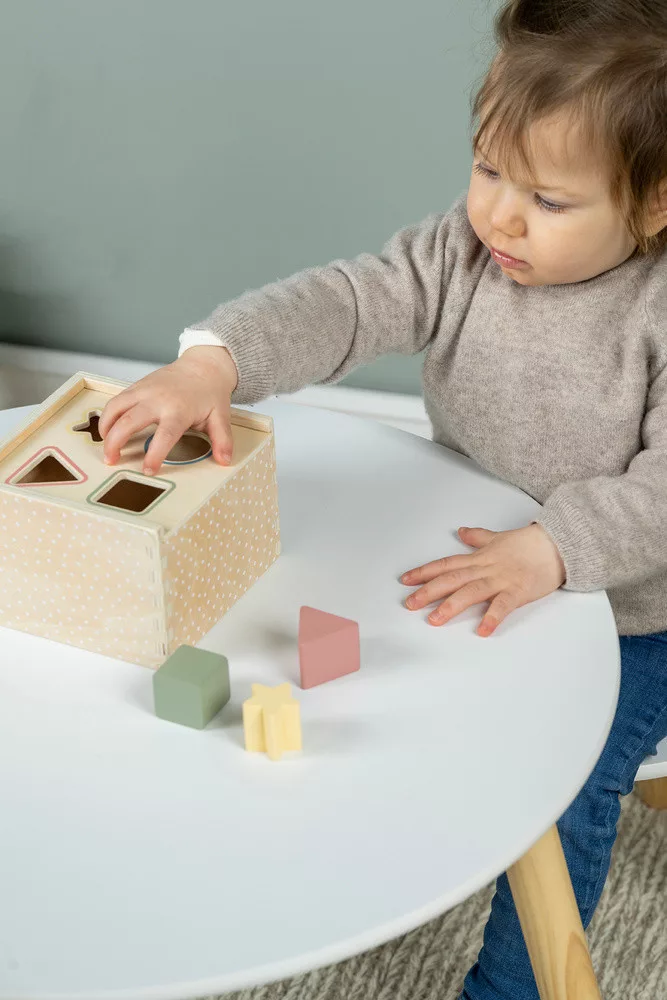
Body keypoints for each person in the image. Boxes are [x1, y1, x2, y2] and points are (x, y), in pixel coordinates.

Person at [99, 1, 667, 995]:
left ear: (654, 204)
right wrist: (216, 361)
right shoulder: (463, 252)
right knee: (366, 692)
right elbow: (350, 299)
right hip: (475, 552)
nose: (499, 216)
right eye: (487, 170)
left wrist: (553, 548)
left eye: (546, 199)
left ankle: (513, 987)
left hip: (627, 612)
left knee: (562, 785)